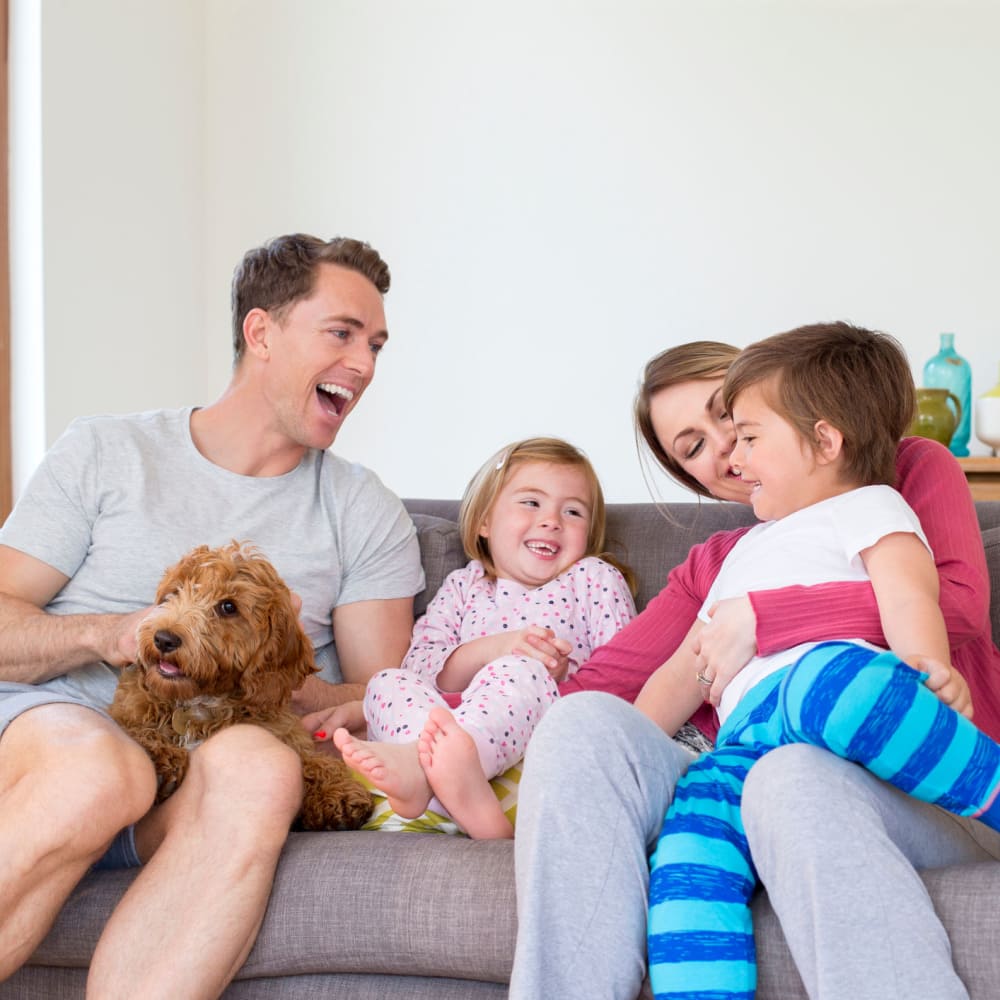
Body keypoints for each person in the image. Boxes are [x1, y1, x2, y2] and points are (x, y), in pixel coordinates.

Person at [509, 330, 1000, 1000]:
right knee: (579, 723)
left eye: (732, 420)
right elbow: (626, 688)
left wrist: (767, 618)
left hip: (908, 776)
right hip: (744, 761)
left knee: (789, 776)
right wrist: (445, 703)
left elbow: (953, 607)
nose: (727, 452)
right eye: (696, 447)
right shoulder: (722, 559)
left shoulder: (900, 474)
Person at [0, 233, 423, 997]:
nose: (364, 365)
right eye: (342, 333)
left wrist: (270, 666)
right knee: (105, 771)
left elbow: (385, 696)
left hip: (194, 779)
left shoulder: (364, 511)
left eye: (376, 345)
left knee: (264, 766)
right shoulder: (109, 449)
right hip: (59, 741)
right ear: (261, 332)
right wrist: (109, 633)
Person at [325, 437, 636, 839]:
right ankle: (433, 775)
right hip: (441, 718)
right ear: (485, 521)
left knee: (519, 669)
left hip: (538, 718)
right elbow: (420, 667)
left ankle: (442, 776)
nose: (552, 520)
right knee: (387, 682)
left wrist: (559, 676)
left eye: (573, 511)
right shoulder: (464, 585)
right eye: (531, 502)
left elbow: (625, 673)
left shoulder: (592, 577)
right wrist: (492, 648)